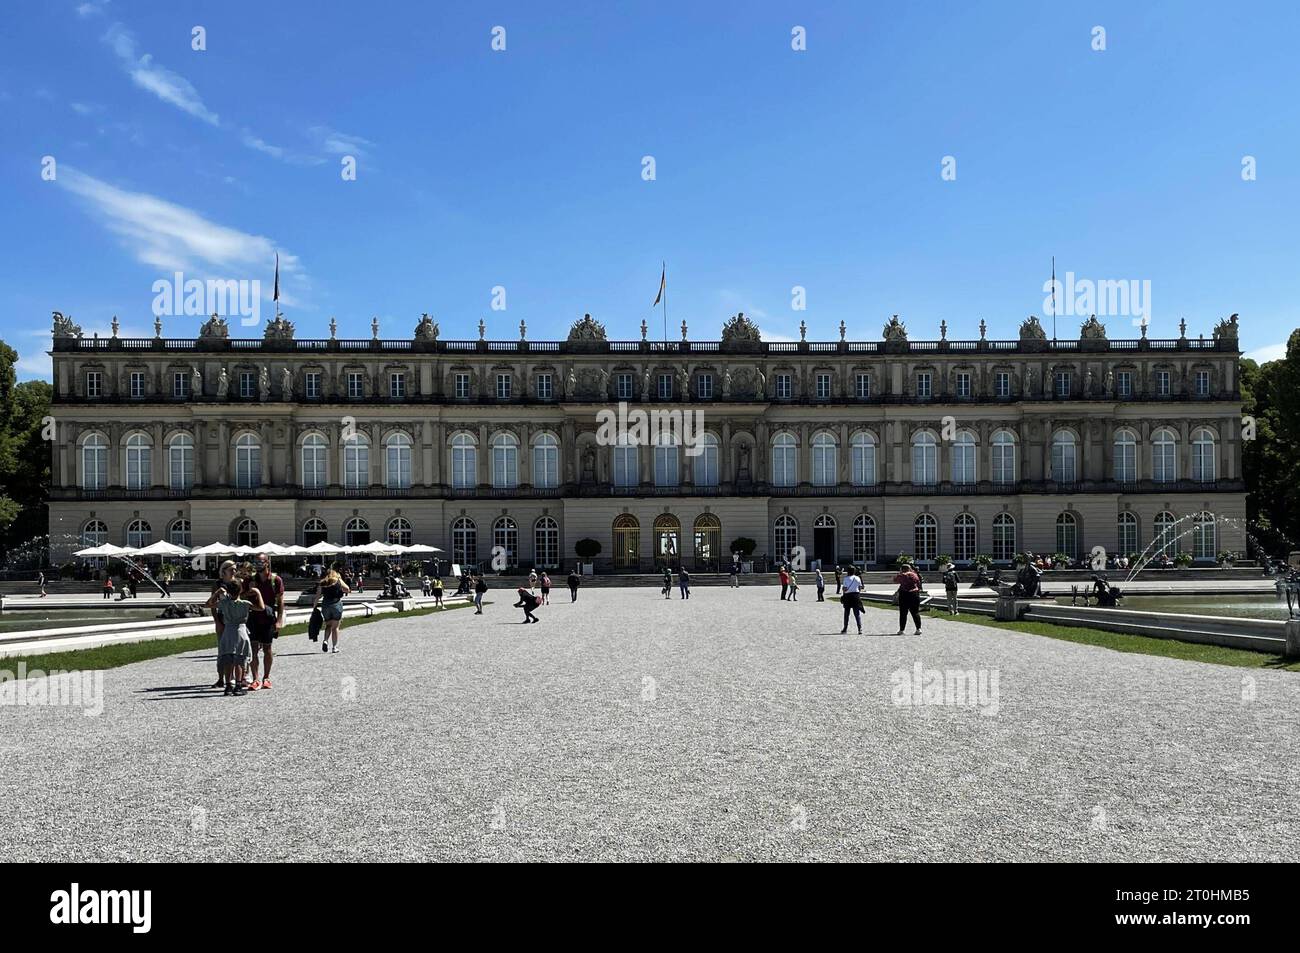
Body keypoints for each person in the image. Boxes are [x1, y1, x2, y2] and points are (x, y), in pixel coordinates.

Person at [244, 555, 285, 690]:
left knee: (267, 649)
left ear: (267, 563)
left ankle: (266, 677)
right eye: (255, 562)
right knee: (253, 649)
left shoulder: (275, 580)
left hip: (268, 617)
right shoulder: (250, 580)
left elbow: (280, 602)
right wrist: (249, 590)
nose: (257, 564)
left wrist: (279, 620)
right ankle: (255, 679)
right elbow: (240, 596)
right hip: (253, 617)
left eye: (260, 562)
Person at [204, 560, 239, 688]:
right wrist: (217, 622)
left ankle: (235, 678)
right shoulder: (218, 584)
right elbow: (212, 605)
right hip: (222, 618)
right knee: (222, 650)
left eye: (235, 569)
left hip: (234, 620)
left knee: (235, 650)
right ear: (224, 570)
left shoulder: (237, 582)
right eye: (231, 569)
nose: (234, 571)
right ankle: (221, 678)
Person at [216, 581, 254, 697]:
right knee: (240, 660)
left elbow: (208, 604)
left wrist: (216, 593)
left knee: (228, 659)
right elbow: (261, 607)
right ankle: (238, 685)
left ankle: (228, 686)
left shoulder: (224, 603)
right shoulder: (245, 603)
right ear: (241, 590)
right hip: (241, 631)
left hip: (228, 631)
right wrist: (257, 593)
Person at [312, 565, 350, 653]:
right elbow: (347, 589)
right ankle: (334, 647)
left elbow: (317, 596)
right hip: (336, 604)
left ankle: (325, 640)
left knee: (328, 625)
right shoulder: (338, 580)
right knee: (335, 627)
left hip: (325, 605)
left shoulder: (323, 583)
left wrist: (314, 607)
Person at [894, 561, 923, 636]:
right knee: (915, 612)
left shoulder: (901, 575)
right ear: (909, 569)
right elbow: (918, 582)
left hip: (904, 594)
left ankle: (901, 630)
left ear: (902, 569)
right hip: (914, 594)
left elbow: (895, 580)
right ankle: (918, 628)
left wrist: (900, 573)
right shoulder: (914, 574)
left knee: (903, 613)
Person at [840, 567, 864, 634]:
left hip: (848, 596)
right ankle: (860, 628)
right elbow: (860, 588)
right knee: (857, 614)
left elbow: (844, 589)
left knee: (846, 614)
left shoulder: (846, 579)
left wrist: (844, 590)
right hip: (856, 596)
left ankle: (845, 628)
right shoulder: (857, 578)